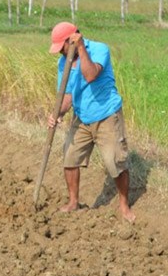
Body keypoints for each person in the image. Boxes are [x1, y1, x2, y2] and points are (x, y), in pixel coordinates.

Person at [47, 22, 135, 223]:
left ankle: (124, 205)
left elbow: (90, 74)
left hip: (106, 116)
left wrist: (80, 49)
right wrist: (57, 113)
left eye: (63, 47)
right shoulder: (64, 63)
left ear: (74, 38)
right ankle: (73, 202)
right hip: (82, 118)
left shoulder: (99, 49)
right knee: (70, 157)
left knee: (115, 162)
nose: (61, 53)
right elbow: (67, 97)